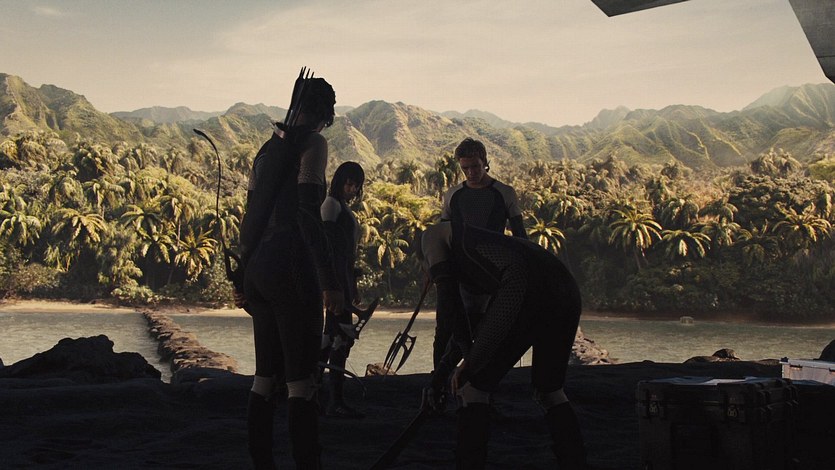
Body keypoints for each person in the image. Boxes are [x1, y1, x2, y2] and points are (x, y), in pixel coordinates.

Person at [234, 76, 341, 470]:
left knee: (264, 378)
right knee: (301, 381)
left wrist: (242, 277)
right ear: (324, 114)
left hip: (257, 267)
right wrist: (330, 281)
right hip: (290, 264)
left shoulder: (267, 149)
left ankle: (262, 463)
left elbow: (251, 217)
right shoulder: (312, 144)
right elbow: (308, 215)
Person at [421, 221, 587, 470]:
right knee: (549, 391)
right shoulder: (474, 264)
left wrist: (459, 369)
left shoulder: (431, 236)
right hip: (565, 287)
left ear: (424, 263)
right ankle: (575, 463)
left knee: (472, 388)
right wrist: (444, 372)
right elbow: (471, 324)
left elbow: (447, 309)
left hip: (523, 282)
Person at [430, 137, 528, 408]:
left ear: (485, 162)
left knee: (486, 331)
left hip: (491, 273)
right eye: (465, 168)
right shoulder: (453, 195)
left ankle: (480, 390)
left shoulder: (504, 193)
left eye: (475, 166)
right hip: (458, 273)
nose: (471, 172)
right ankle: (437, 389)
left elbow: (520, 236)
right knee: (445, 329)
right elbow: (442, 235)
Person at [320, 161, 366, 418]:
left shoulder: (341, 206)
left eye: (356, 186)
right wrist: (332, 285)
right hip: (337, 280)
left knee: (333, 337)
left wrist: (353, 283)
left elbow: (347, 253)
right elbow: (327, 248)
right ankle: (332, 399)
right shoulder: (331, 205)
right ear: (339, 182)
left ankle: (317, 393)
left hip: (344, 279)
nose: (352, 189)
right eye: (349, 184)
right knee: (339, 338)